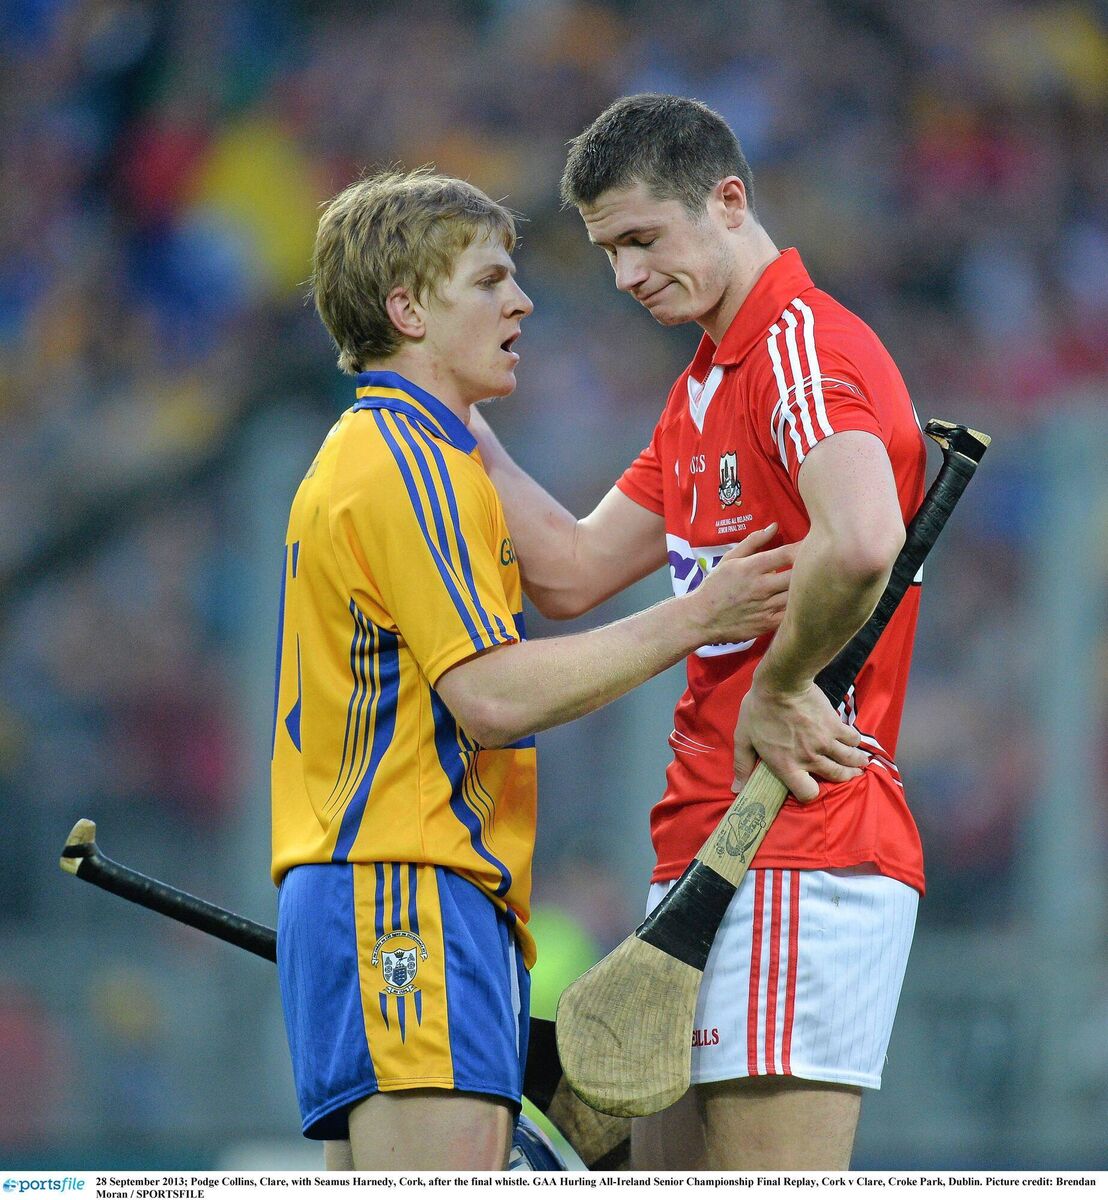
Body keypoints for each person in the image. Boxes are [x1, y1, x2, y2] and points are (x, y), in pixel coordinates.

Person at [269, 165, 796, 1170]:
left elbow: (566, 571)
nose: (522, 301)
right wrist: (698, 616)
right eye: (489, 281)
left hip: (392, 888)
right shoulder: (403, 464)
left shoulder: (408, 450)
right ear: (408, 308)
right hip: (408, 888)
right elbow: (495, 697)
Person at [468, 94, 929, 1170]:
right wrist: (446, 403)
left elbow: (863, 539)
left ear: (727, 202)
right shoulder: (705, 386)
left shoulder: (798, 348)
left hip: (799, 842)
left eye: (642, 240)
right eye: (607, 253)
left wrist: (777, 686)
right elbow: (575, 571)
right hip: (709, 855)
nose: (625, 277)